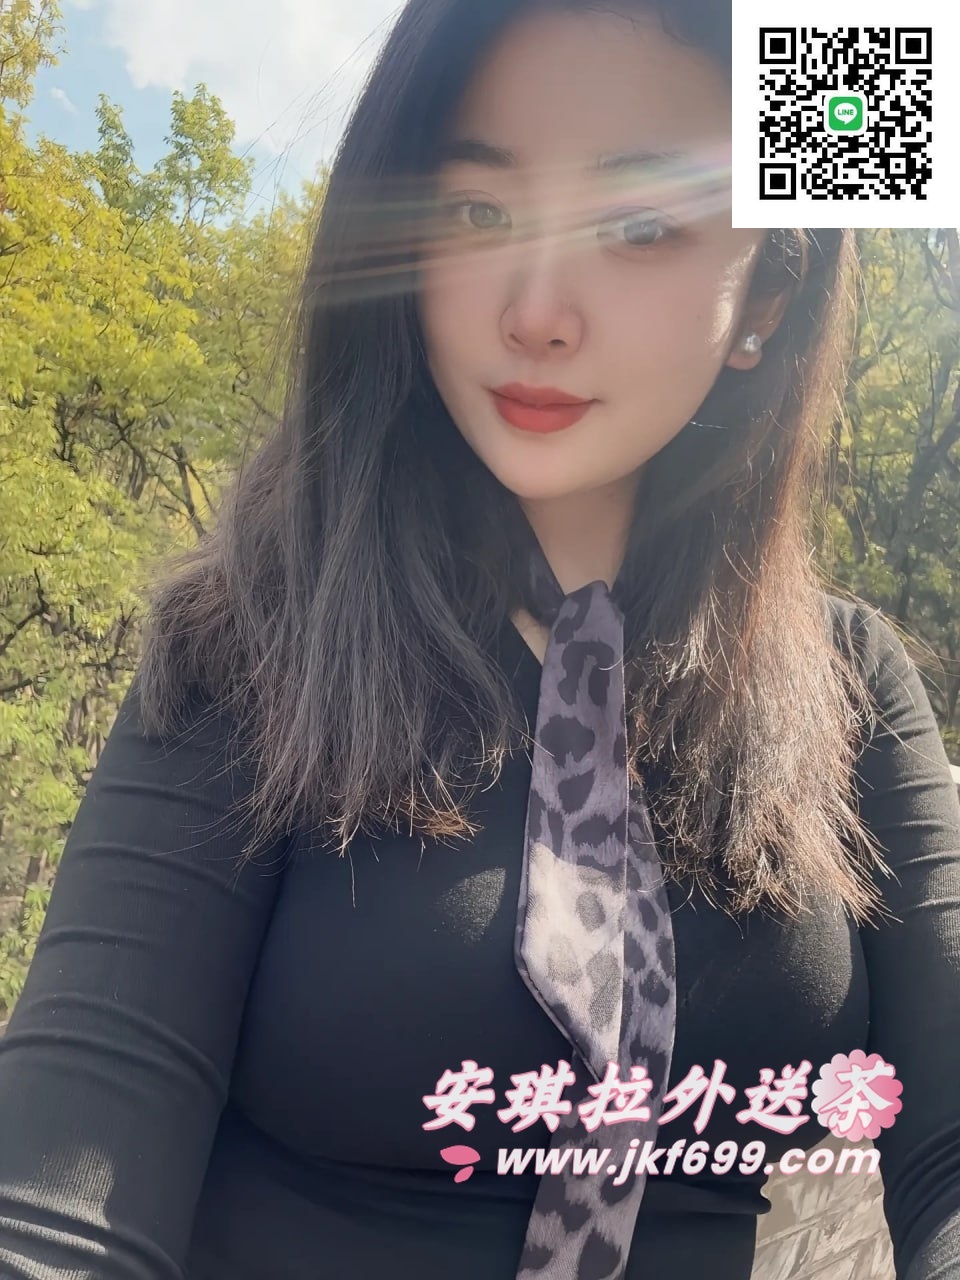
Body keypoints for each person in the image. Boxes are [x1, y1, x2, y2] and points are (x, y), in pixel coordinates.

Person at [0, 0, 957, 1277]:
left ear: (768, 301)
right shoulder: (254, 643)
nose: (536, 310)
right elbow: (61, 1190)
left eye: (639, 226)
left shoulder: (850, 686)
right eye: (476, 211)